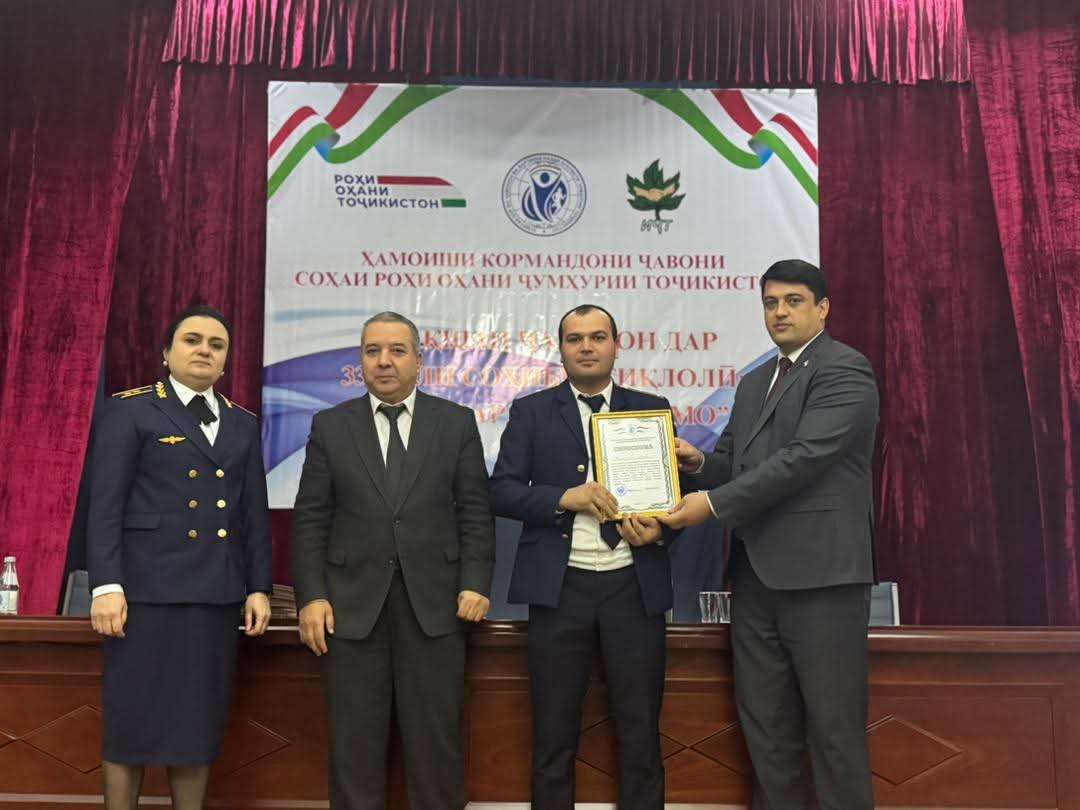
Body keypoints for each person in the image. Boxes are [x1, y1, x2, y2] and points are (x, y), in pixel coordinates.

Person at [660, 259, 879, 809]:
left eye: (793, 301)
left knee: (833, 732)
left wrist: (712, 505)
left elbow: (803, 459)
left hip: (822, 579)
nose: (780, 312)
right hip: (755, 578)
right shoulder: (755, 380)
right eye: (770, 302)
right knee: (766, 732)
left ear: (822, 308)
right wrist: (698, 464)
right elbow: (736, 463)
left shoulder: (845, 370)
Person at [292, 311, 495, 810]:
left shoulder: (455, 422)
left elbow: (475, 512)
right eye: (373, 351)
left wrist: (475, 581)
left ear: (419, 360)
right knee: (354, 747)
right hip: (350, 610)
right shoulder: (331, 426)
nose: (384, 361)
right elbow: (311, 519)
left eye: (397, 351)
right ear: (360, 360)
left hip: (437, 607)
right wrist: (311, 596)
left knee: (436, 747)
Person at [490, 304, 681, 810]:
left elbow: (673, 498)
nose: (587, 347)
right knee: (553, 735)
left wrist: (658, 529)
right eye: (575, 339)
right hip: (560, 589)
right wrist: (563, 497)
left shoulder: (651, 407)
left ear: (617, 346)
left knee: (641, 733)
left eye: (598, 337)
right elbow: (501, 491)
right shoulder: (531, 411)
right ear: (561, 349)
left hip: (633, 586)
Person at [87, 304, 273, 810]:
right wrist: (106, 585)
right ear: (166, 353)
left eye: (216, 344)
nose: (204, 351)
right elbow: (105, 505)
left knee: (196, 724)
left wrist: (259, 586)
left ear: (226, 360)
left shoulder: (241, 423)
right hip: (144, 594)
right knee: (131, 723)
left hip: (214, 594)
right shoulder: (130, 410)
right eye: (192, 340)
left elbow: (252, 513)